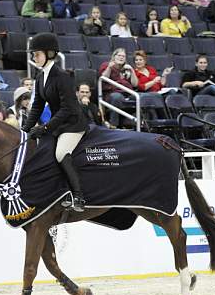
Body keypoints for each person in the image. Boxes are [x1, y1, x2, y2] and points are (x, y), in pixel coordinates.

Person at [22, 33, 89, 212]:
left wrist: (44, 127)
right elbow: (36, 106)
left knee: (60, 153)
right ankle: (61, 192)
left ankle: (78, 195)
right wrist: (25, 129)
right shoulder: (39, 76)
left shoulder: (62, 76)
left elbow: (67, 109)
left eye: (37, 54)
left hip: (73, 123)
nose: (33, 57)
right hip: (59, 124)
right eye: (33, 54)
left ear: (49, 53)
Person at [98, 47, 138, 128]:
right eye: (119, 55)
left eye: (123, 56)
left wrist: (132, 71)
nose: (121, 57)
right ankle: (114, 124)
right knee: (117, 97)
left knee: (140, 97)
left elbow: (135, 84)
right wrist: (109, 67)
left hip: (127, 94)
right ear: (114, 57)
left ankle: (138, 124)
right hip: (111, 94)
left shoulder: (126, 68)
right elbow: (103, 78)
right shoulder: (106, 65)